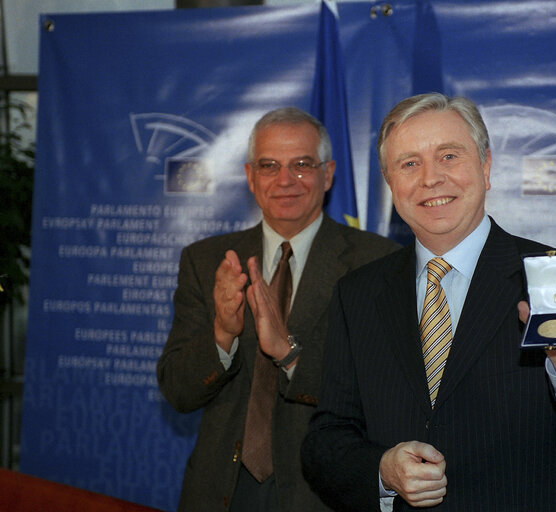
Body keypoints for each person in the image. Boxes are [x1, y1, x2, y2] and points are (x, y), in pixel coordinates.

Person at [301, 93, 556, 511]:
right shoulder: (357, 292)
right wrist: (382, 471)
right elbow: (326, 440)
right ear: (389, 182)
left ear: (485, 167)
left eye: (449, 156)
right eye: (409, 163)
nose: (431, 178)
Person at [157, 107, 400, 512]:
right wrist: (222, 334)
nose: (285, 180)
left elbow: (381, 395)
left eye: (302, 164)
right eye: (269, 166)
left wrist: (288, 353)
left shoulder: (377, 262)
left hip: (321, 493)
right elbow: (178, 392)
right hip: (221, 491)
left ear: (328, 173)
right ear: (251, 177)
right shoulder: (208, 260)